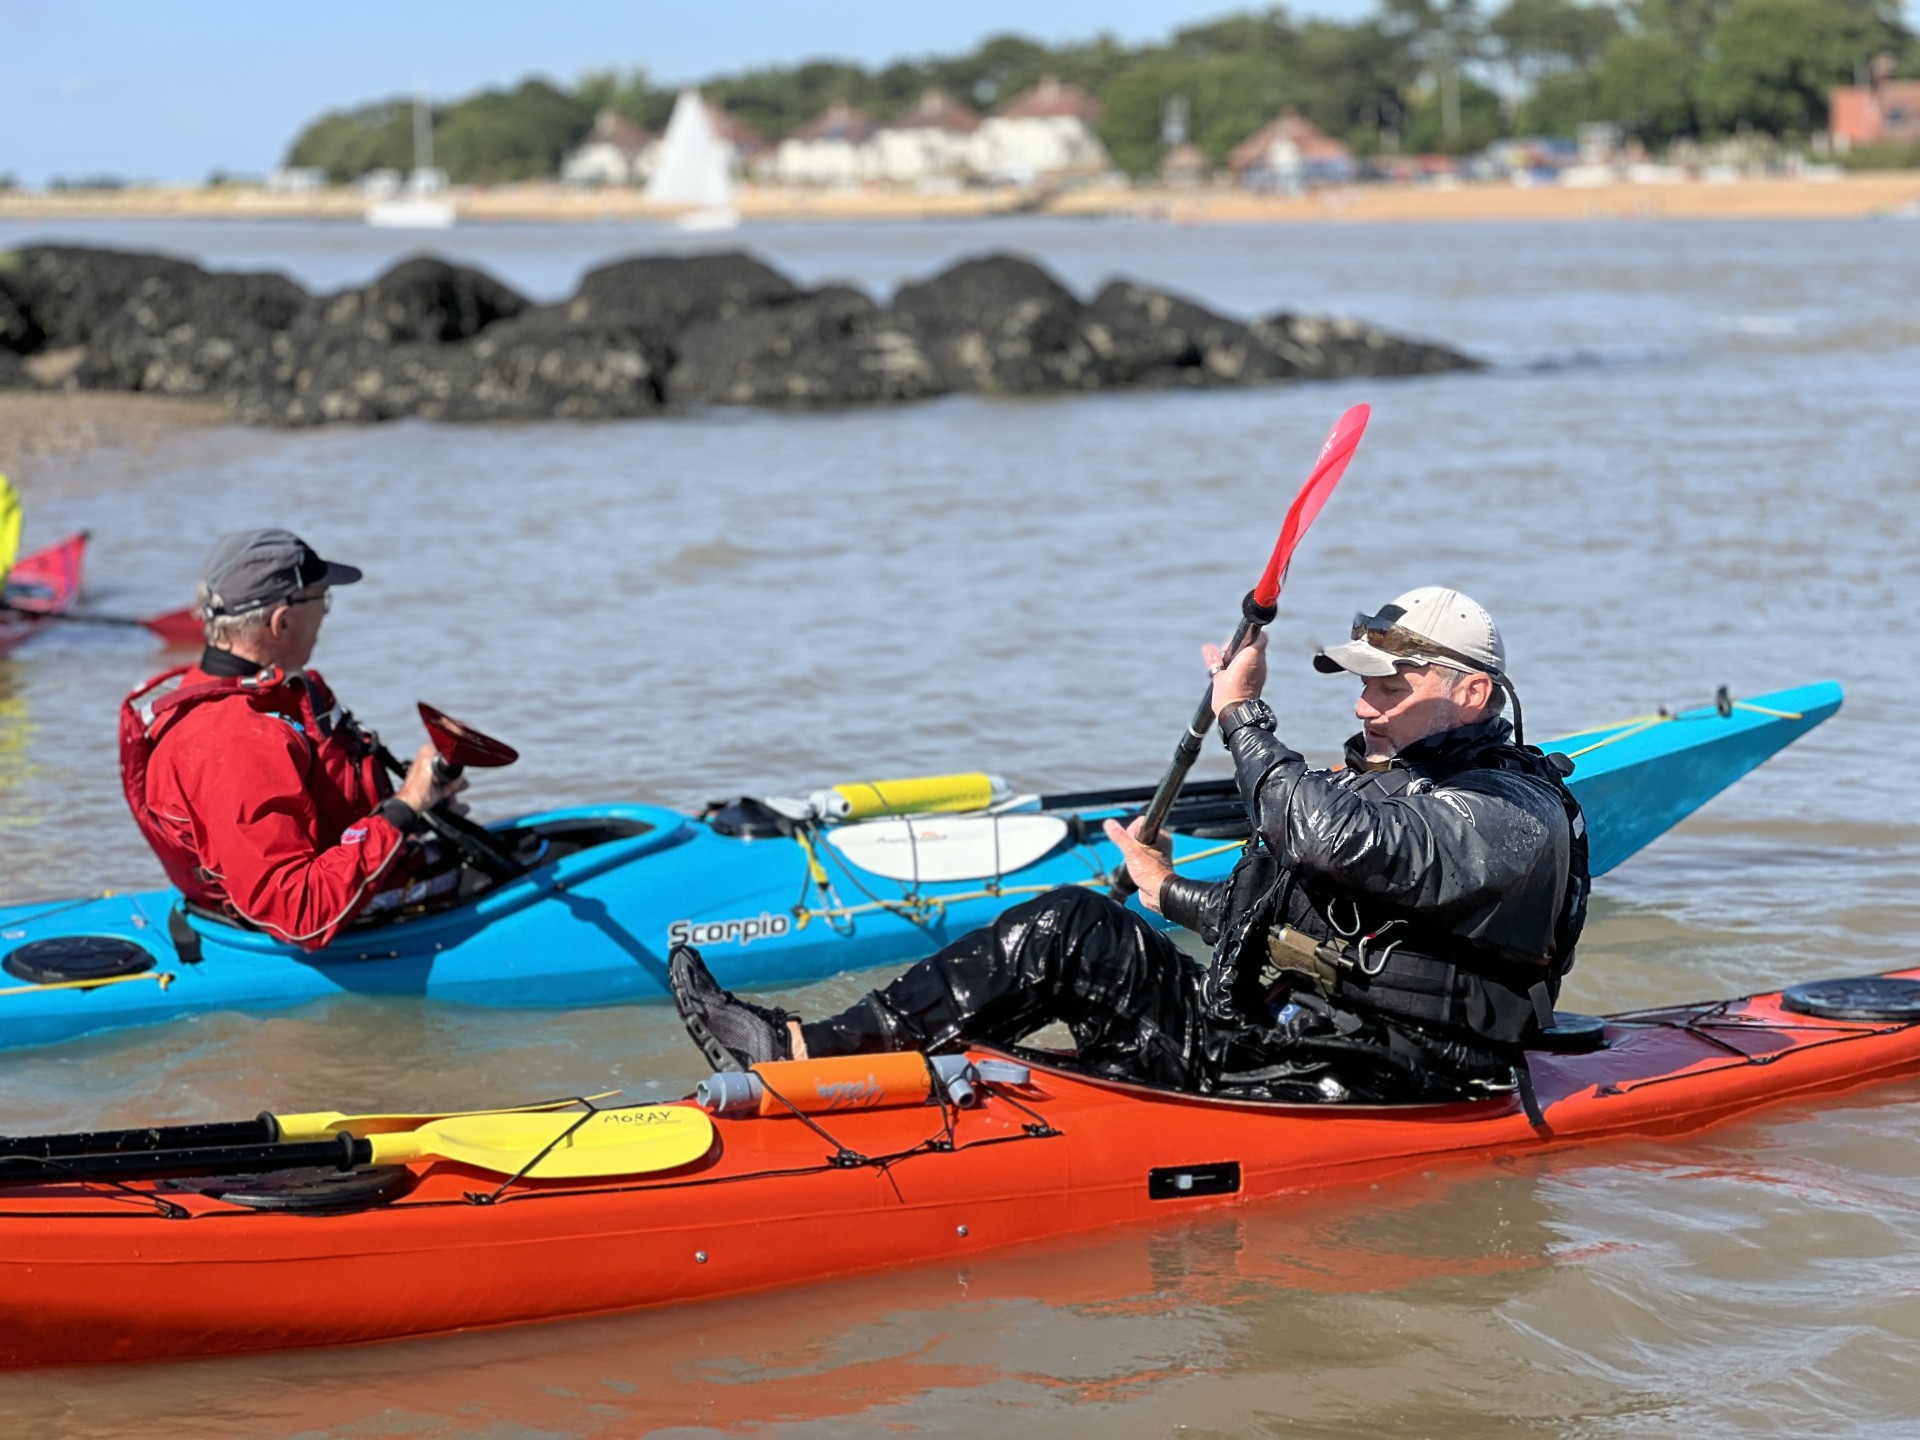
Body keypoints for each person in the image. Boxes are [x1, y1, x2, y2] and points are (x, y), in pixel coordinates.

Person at [671, 586, 1590, 1104]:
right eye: (1364, 685)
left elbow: (1319, 833)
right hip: (1296, 1040)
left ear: (1472, 694)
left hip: (1393, 1078)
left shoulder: (1508, 812)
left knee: (1071, 931)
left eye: (1390, 686)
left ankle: (827, 1067)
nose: (1363, 705)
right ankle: (838, 1063)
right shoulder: (1397, 787)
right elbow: (1283, 924)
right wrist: (1162, 891)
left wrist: (1242, 714)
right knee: (1079, 927)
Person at [120, 529, 465, 950]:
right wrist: (405, 807)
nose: (325, 615)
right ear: (281, 621)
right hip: (315, 932)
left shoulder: (244, 691)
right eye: (323, 600)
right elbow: (301, 915)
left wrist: (418, 807)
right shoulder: (235, 741)